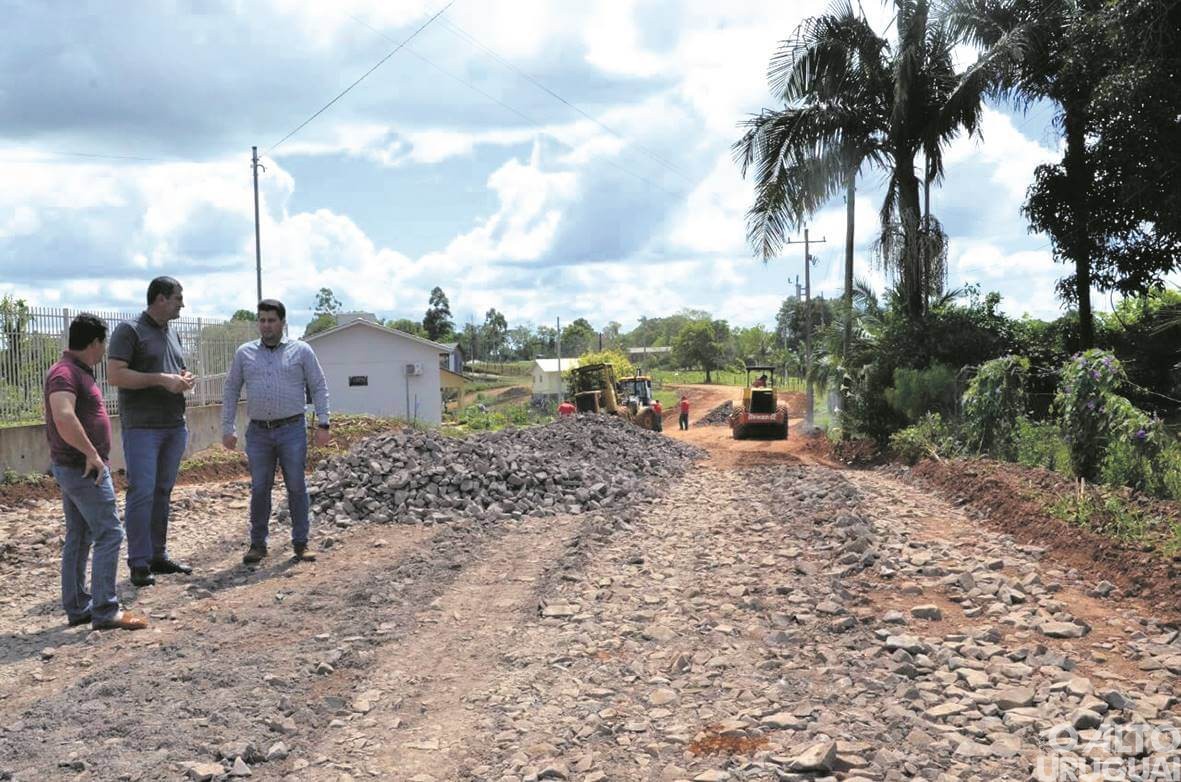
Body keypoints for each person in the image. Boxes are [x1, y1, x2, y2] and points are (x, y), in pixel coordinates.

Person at [45, 314, 148, 631]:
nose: (105, 350)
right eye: (103, 344)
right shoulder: (65, 373)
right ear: (94, 343)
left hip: (77, 466)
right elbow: (63, 416)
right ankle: (105, 609)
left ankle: (79, 606)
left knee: (80, 535)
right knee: (110, 533)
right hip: (82, 468)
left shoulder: (75, 371)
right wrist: (92, 455)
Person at [222, 299, 330, 565]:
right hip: (258, 433)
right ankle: (258, 544)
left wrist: (324, 423)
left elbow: (318, 386)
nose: (266, 325)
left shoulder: (301, 351)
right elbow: (231, 389)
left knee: (296, 486)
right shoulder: (244, 353)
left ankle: (301, 543)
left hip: (292, 429)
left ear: (282, 322)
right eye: (262, 320)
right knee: (260, 489)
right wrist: (228, 427)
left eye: (271, 320)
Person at [107, 276, 195, 587]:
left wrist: (182, 378)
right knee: (142, 492)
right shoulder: (129, 331)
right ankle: (139, 562)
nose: (182, 304)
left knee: (162, 491)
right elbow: (115, 375)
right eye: (177, 298)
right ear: (159, 299)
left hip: (174, 424)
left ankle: (158, 555)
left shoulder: (172, 333)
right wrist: (161, 379)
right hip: (142, 427)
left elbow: (173, 370)